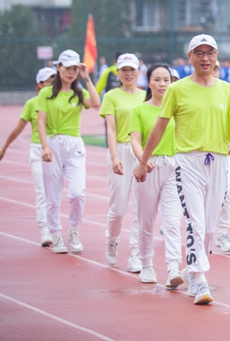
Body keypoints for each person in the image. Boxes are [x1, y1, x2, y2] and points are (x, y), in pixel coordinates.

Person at [134, 34, 230, 306]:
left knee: (209, 226)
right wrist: (143, 160)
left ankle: (192, 269)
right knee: (195, 220)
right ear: (190, 57)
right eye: (199, 53)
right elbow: (160, 127)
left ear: (216, 56)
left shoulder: (228, 90)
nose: (205, 58)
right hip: (188, 162)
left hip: (219, 161)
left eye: (210, 53)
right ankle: (198, 277)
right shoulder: (177, 89)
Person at [37, 50, 101, 254]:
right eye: (67, 68)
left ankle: (74, 230)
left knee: (77, 193)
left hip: (74, 145)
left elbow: (96, 103)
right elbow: (40, 122)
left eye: (75, 68)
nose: (71, 72)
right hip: (53, 144)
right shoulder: (46, 93)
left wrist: (87, 78)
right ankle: (55, 234)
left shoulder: (79, 93)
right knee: (53, 195)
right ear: (58, 68)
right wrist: (45, 146)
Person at [130, 64, 183, 287]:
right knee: (146, 220)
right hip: (149, 167)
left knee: (172, 221)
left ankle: (173, 268)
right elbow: (135, 140)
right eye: (157, 80)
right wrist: (143, 160)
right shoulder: (139, 111)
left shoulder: (179, 110)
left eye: (166, 80)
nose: (162, 84)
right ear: (149, 82)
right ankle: (146, 265)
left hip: (174, 167)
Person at [0, 67, 58, 246]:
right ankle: (44, 229)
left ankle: (56, 228)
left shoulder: (60, 101)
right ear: (40, 84)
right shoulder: (32, 104)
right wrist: (4, 147)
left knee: (54, 193)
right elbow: (18, 129)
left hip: (57, 150)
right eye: (49, 81)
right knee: (42, 191)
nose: (53, 85)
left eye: (55, 81)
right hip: (38, 150)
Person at [100, 53, 146, 272]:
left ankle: (135, 252)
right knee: (118, 208)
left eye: (132, 70)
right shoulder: (111, 96)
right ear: (118, 72)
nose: (128, 74)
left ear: (138, 71)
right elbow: (110, 128)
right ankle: (112, 239)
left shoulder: (146, 96)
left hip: (140, 153)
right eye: (124, 70)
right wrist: (114, 156)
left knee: (140, 207)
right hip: (120, 150)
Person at [214, 60, 230, 254]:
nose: (213, 72)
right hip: (196, 154)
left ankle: (222, 232)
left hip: (222, 153)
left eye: (216, 68)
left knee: (226, 190)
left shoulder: (227, 91)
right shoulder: (190, 91)